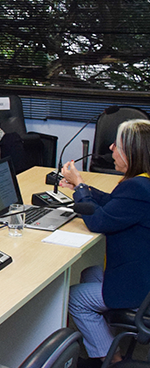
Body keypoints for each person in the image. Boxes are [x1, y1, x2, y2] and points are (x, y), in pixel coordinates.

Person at [59, 119, 150, 368]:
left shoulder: (138, 188)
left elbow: (98, 221)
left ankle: (111, 360)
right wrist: (83, 189)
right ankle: (108, 342)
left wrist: (80, 186)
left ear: (131, 153)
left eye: (116, 145)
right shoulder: (143, 182)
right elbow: (115, 205)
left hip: (139, 286)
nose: (111, 148)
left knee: (75, 298)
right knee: (89, 273)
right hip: (141, 272)